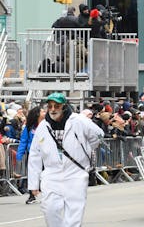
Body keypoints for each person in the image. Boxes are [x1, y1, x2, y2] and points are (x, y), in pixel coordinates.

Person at [28, 92, 104, 227]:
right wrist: (33, 184)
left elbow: (98, 135)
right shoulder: (43, 126)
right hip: (51, 174)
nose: (52, 109)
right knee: (49, 209)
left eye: (56, 106)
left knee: (74, 213)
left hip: (75, 173)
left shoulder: (79, 120)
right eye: (50, 106)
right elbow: (35, 154)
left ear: (63, 106)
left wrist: (86, 149)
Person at [18, 106, 46, 204]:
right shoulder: (29, 127)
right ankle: (31, 196)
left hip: (46, 154)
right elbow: (23, 141)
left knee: (46, 174)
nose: (45, 112)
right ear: (37, 114)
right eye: (43, 111)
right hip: (33, 154)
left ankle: (47, 195)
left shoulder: (47, 125)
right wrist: (19, 155)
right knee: (32, 174)